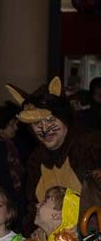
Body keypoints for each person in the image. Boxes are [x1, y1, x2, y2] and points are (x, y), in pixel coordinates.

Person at [9, 77, 101, 226]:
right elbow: (32, 207)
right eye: (37, 123)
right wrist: (34, 230)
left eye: (51, 120)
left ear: (64, 118)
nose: (44, 129)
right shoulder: (36, 160)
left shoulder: (90, 145)